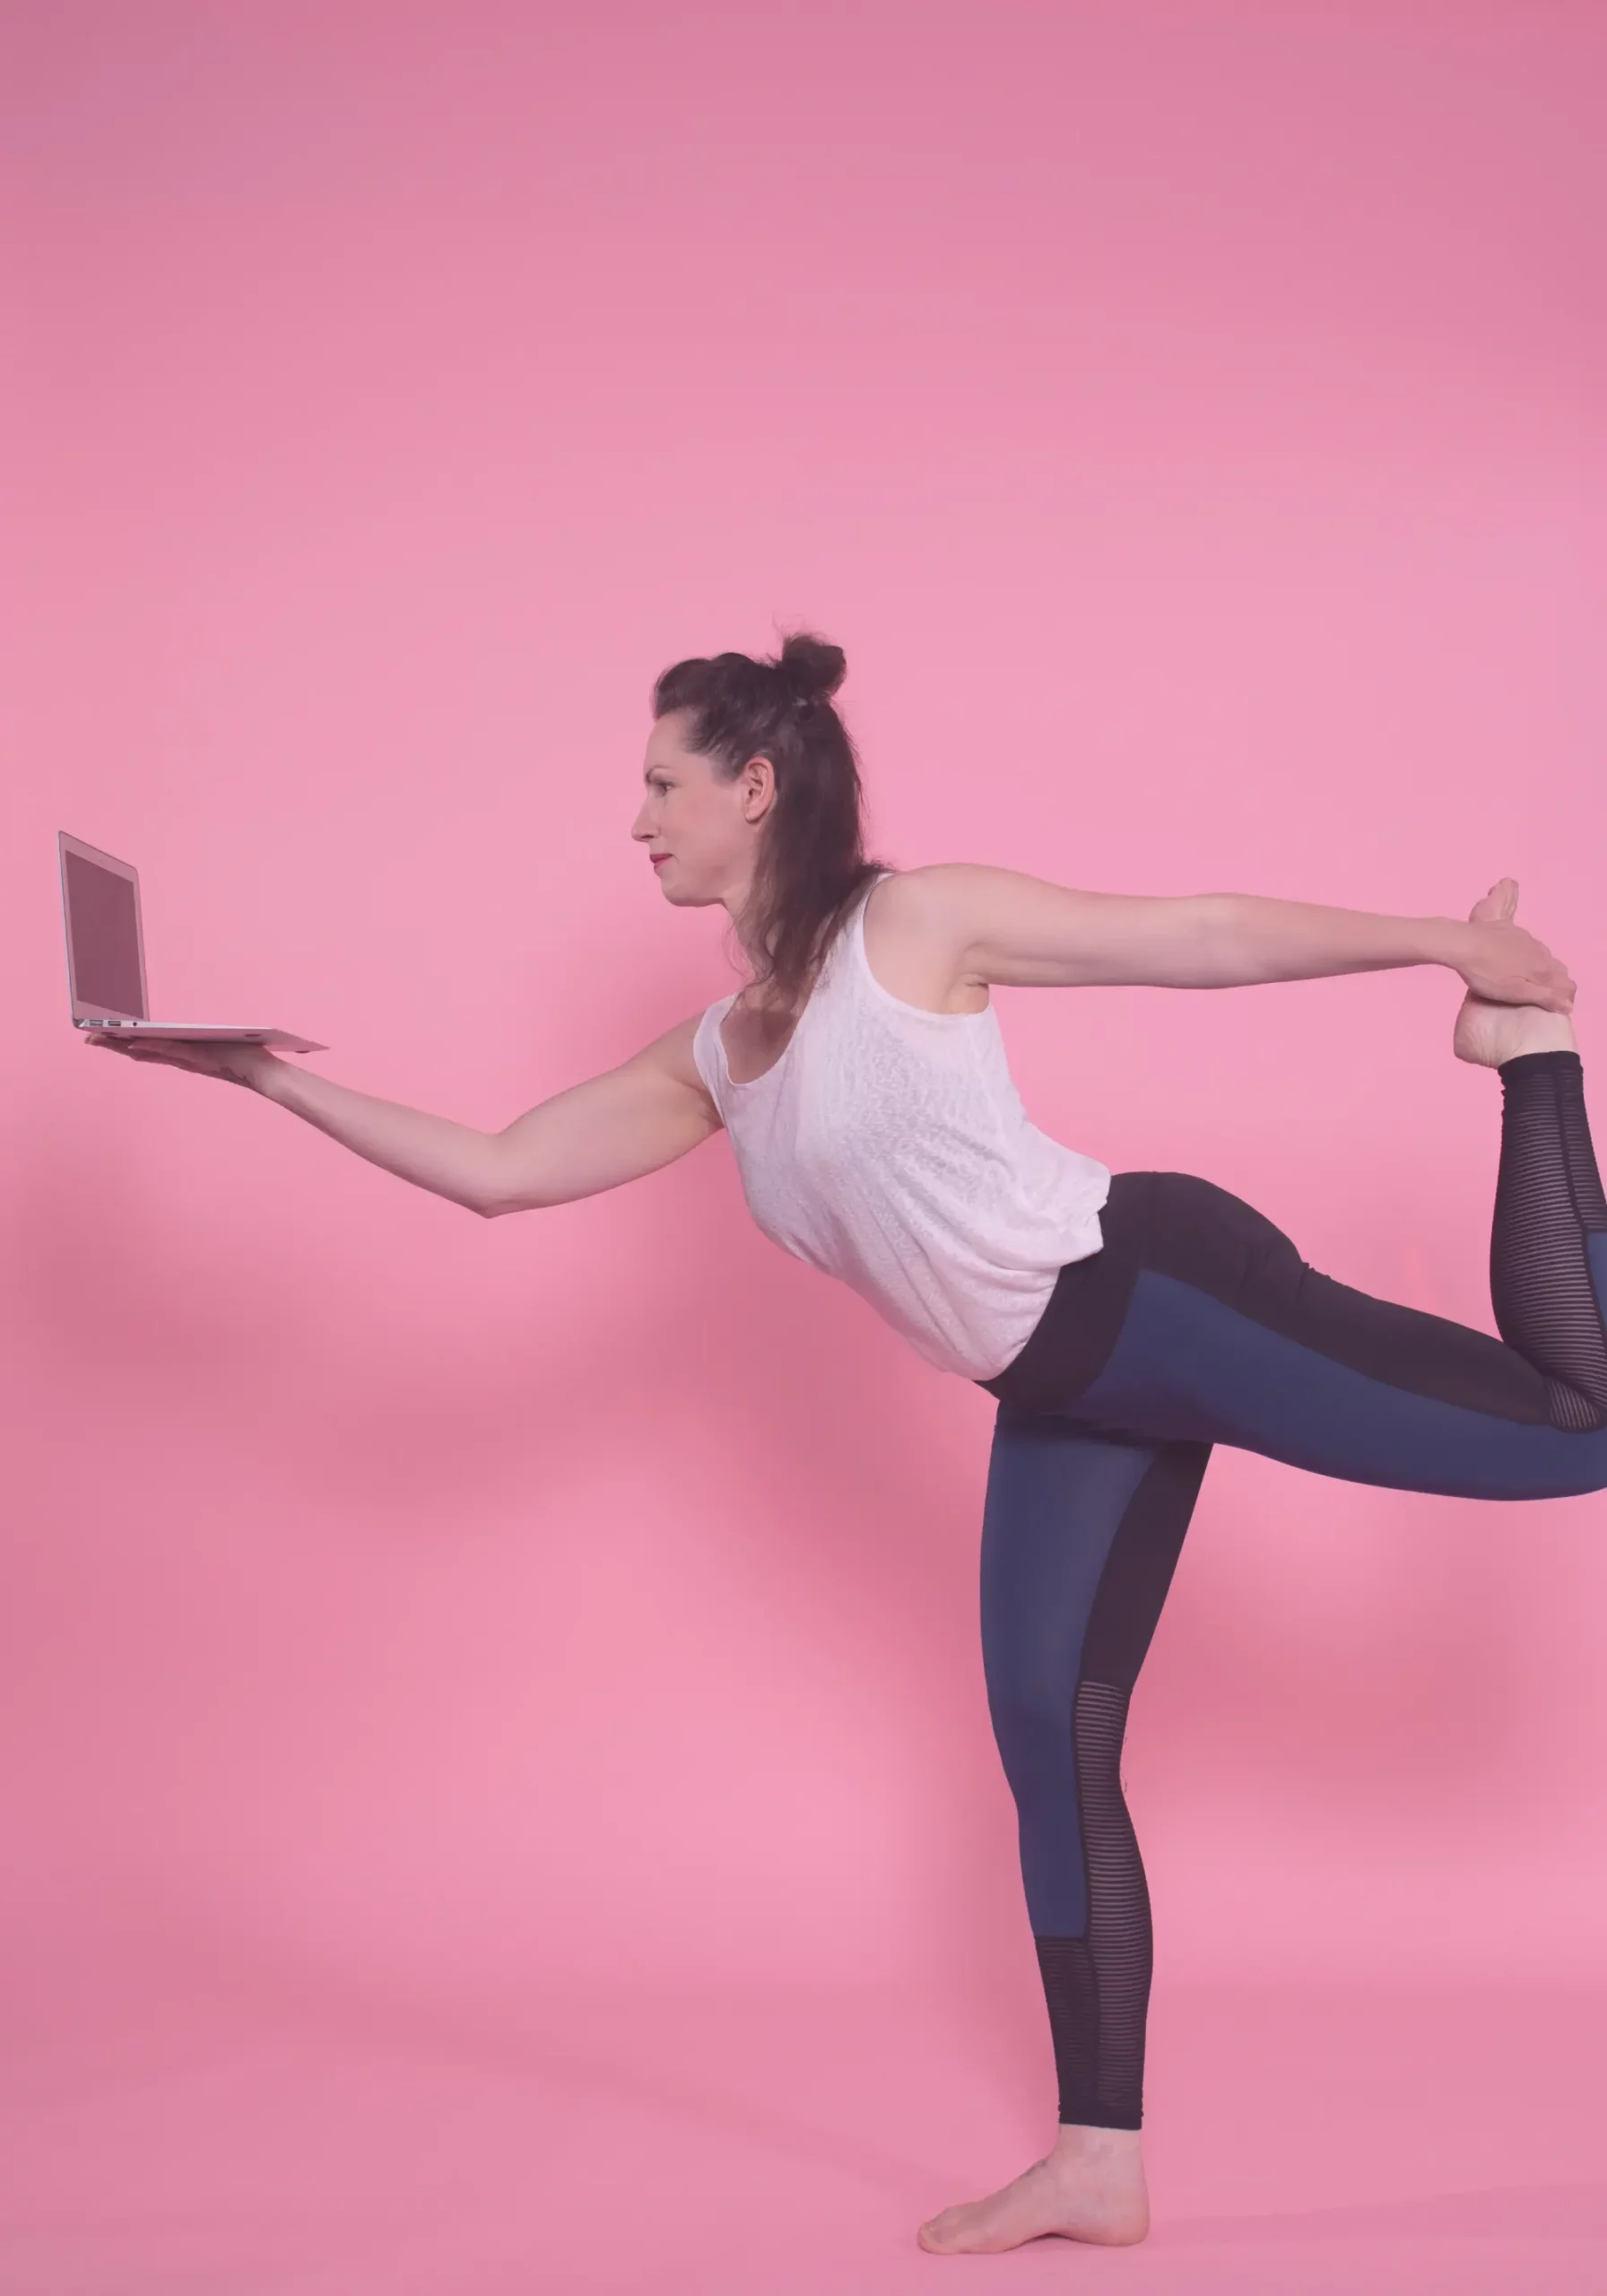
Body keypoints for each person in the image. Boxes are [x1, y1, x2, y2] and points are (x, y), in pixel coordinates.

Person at [90, 631, 1602, 2257]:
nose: (638, 821)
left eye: (661, 784)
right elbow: (501, 1170)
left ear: (754, 786)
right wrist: (254, 1078)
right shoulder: (718, 1057)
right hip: (1063, 1390)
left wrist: (1457, 950)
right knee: (1049, 1729)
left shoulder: (916, 923)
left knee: (1575, 1435)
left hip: (1156, 1286)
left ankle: (1534, 1068)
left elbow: (1202, 937)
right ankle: (1100, 2159)